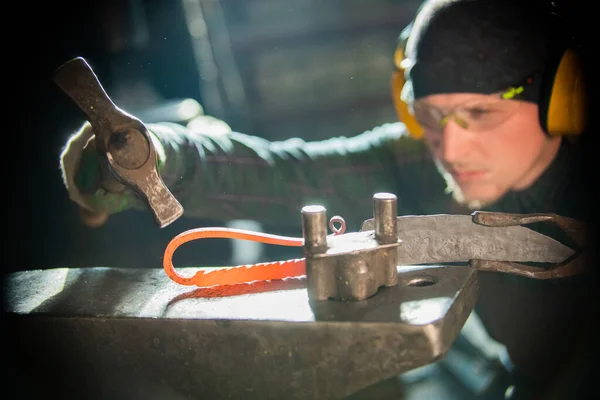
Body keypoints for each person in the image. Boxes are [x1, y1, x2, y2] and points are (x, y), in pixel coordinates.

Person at [58, 0, 596, 397]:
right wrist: (158, 155)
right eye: (430, 116)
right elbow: (281, 171)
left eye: (480, 114)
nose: (450, 147)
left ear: (563, 100)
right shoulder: (412, 159)